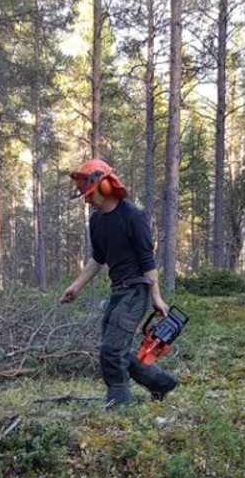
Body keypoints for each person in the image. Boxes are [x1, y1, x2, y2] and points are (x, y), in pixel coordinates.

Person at [61, 158, 178, 408]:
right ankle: (161, 383)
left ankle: (119, 406)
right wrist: (76, 287)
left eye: (90, 194)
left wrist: (156, 297)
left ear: (105, 186)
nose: (87, 200)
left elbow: (148, 261)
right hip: (117, 293)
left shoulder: (133, 216)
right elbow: (98, 258)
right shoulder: (96, 221)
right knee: (116, 349)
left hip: (136, 291)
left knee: (112, 351)